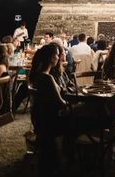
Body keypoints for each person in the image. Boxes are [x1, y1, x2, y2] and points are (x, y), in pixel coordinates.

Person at [28, 43, 69, 175]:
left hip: (42, 120)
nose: (59, 57)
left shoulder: (39, 75)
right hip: (53, 122)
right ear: (52, 58)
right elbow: (61, 103)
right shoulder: (47, 78)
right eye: (57, 55)